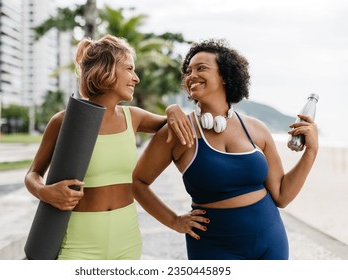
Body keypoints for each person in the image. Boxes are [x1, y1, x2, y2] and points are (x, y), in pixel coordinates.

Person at [132, 38, 319, 260]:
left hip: (271, 240)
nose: (192, 75)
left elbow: (282, 196)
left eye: (201, 68)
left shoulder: (256, 129)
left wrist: (311, 151)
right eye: (189, 70)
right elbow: (138, 182)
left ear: (225, 76)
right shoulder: (179, 132)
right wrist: (174, 221)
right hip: (213, 247)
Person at [24, 34, 193, 260]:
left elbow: (176, 123)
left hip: (127, 239)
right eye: (129, 69)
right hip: (78, 244)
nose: (136, 78)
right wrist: (45, 192)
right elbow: (32, 174)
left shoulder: (134, 117)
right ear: (107, 70)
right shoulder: (64, 121)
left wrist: (173, 108)